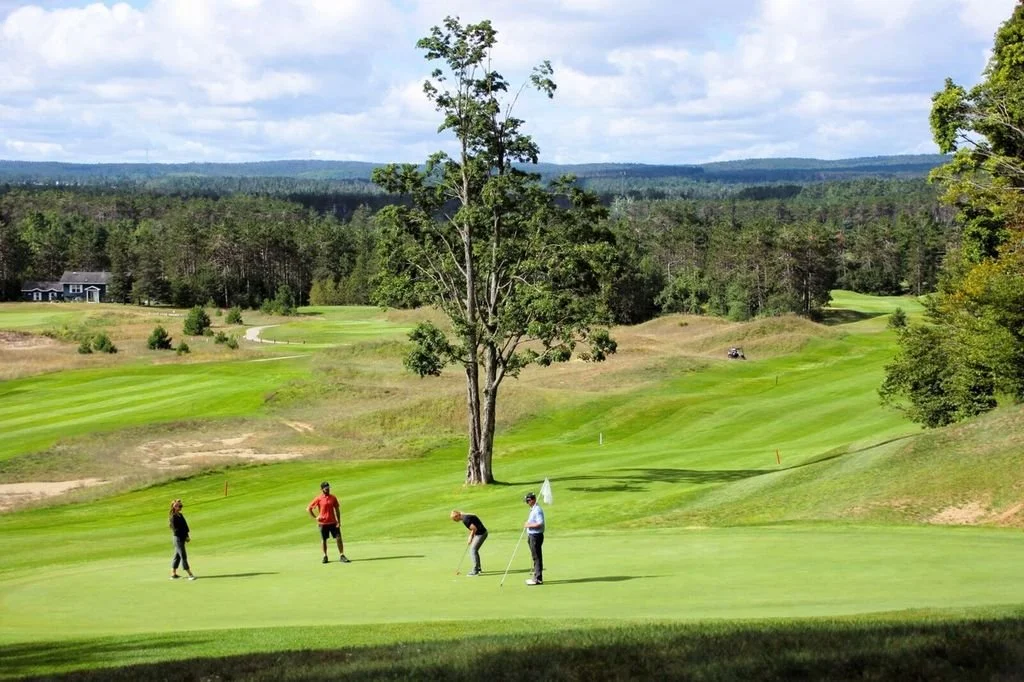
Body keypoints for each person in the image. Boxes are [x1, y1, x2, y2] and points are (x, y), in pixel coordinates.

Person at [308, 481, 349, 564]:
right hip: (323, 524)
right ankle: (325, 556)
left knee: (338, 538)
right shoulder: (319, 498)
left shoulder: (333, 497)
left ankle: (342, 555)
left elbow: (337, 509)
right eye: (326, 489)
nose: (328, 490)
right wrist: (316, 518)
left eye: (328, 488)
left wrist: (339, 521)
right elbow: (309, 508)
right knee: (324, 540)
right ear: (322, 489)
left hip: (333, 522)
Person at [450, 510, 488, 576]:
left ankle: (475, 571)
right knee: (474, 550)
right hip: (481, 533)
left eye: (454, 519)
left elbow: (474, 529)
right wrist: (471, 535)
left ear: (457, 516)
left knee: (472, 550)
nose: (454, 521)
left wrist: (470, 537)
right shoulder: (465, 516)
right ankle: (478, 569)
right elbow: (474, 518)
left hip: (481, 534)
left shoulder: (465, 519)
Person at [169, 499, 196, 580]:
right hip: (178, 538)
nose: (181, 507)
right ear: (174, 507)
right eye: (179, 506)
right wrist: (184, 536)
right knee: (183, 556)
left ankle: (173, 574)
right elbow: (176, 530)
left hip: (182, 537)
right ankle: (190, 574)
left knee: (177, 556)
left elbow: (185, 526)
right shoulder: (173, 517)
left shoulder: (180, 515)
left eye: (181, 506)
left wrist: (187, 535)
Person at [523, 492, 545, 585]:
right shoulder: (533, 509)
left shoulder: (537, 510)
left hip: (536, 536)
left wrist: (529, 525)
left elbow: (540, 523)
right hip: (532, 535)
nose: (527, 503)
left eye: (528, 501)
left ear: (532, 500)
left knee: (537, 557)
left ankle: (538, 579)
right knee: (535, 557)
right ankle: (536, 577)